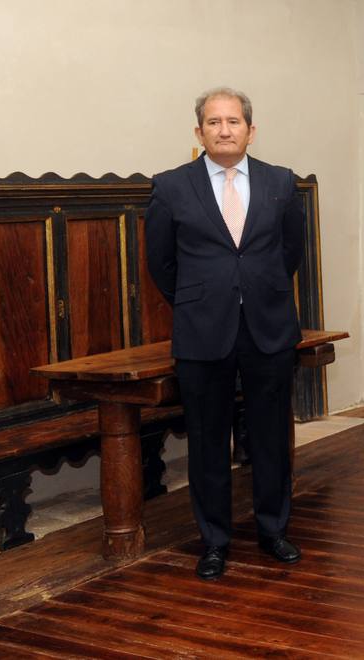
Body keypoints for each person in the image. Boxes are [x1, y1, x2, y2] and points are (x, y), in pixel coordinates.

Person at [145, 87, 305, 580]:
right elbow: (160, 263)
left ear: (250, 130)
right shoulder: (171, 186)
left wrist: (257, 291)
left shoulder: (281, 183)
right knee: (207, 440)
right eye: (213, 122)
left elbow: (290, 253)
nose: (224, 130)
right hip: (202, 333)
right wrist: (200, 300)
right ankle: (214, 541)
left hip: (268, 329)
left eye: (233, 121)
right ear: (199, 132)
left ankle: (273, 530)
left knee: (272, 436)